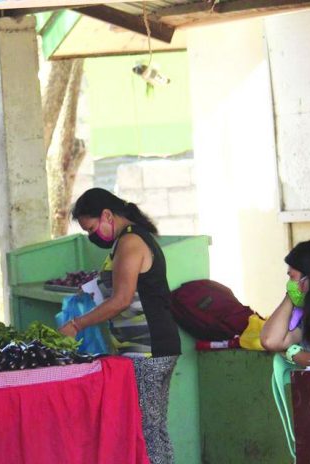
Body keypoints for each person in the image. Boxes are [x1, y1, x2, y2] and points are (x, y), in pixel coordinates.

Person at [59, 188, 181, 464]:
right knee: (154, 429)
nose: (92, 237)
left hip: (148, 349)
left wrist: (77, 324)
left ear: (107, 215)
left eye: (91, 229)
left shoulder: (131, 242)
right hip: (151, 347)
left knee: (148, 431)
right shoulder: (128, 240)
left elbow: (122, 300)